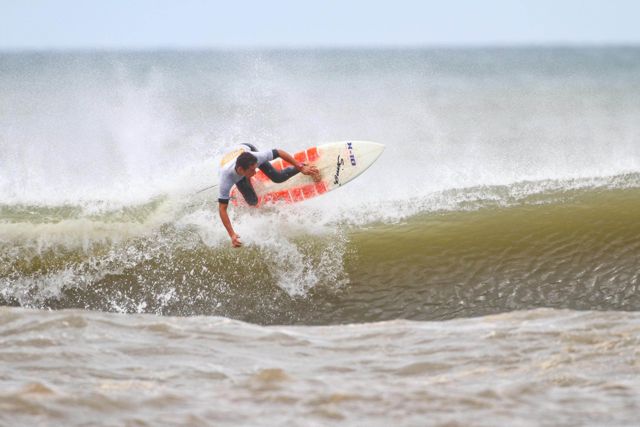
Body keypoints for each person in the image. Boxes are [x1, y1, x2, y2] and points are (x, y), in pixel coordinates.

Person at [218, 143, 320, 248]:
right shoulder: (226, 178)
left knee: (277, 177)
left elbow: (279, 152)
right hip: (235, 162)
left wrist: (299, 166)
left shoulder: (256, 157)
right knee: (252, 201)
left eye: (255, 168)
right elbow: (222, 209)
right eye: (252, 170)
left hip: (245, 151)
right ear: (240, 170)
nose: (255, 172)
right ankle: (245, 181)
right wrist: (232, 235)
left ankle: (304, 165)